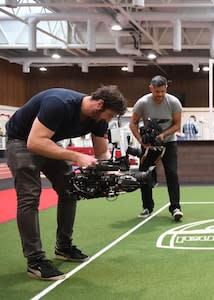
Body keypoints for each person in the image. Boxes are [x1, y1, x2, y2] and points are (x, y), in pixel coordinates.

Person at [5, 86, 127, 281]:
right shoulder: (59, 103)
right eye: (109, 114)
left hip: (47, 142)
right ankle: (35, 261)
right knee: (29, 198)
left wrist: (113, 176)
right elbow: (34, 143)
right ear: (99, 104)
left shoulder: (99, 120)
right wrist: (77, 156)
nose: (109, 120)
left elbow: (102, 154)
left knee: (71, 189)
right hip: (21, 141)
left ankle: (63, 247)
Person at [129, 75, 183, 220]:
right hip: (149, 145)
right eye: (156, 92)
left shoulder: (174, 102)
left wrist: (163, 135)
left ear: (166, 88)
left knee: (171, 173)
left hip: (169, 143)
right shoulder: (142, 103)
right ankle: (147, 207)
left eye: (162, 92)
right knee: (144, 175)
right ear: (151, 88)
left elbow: (177, 125)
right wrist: (141, 141)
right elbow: (132, 123)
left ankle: (175, 207)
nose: (159, 95)